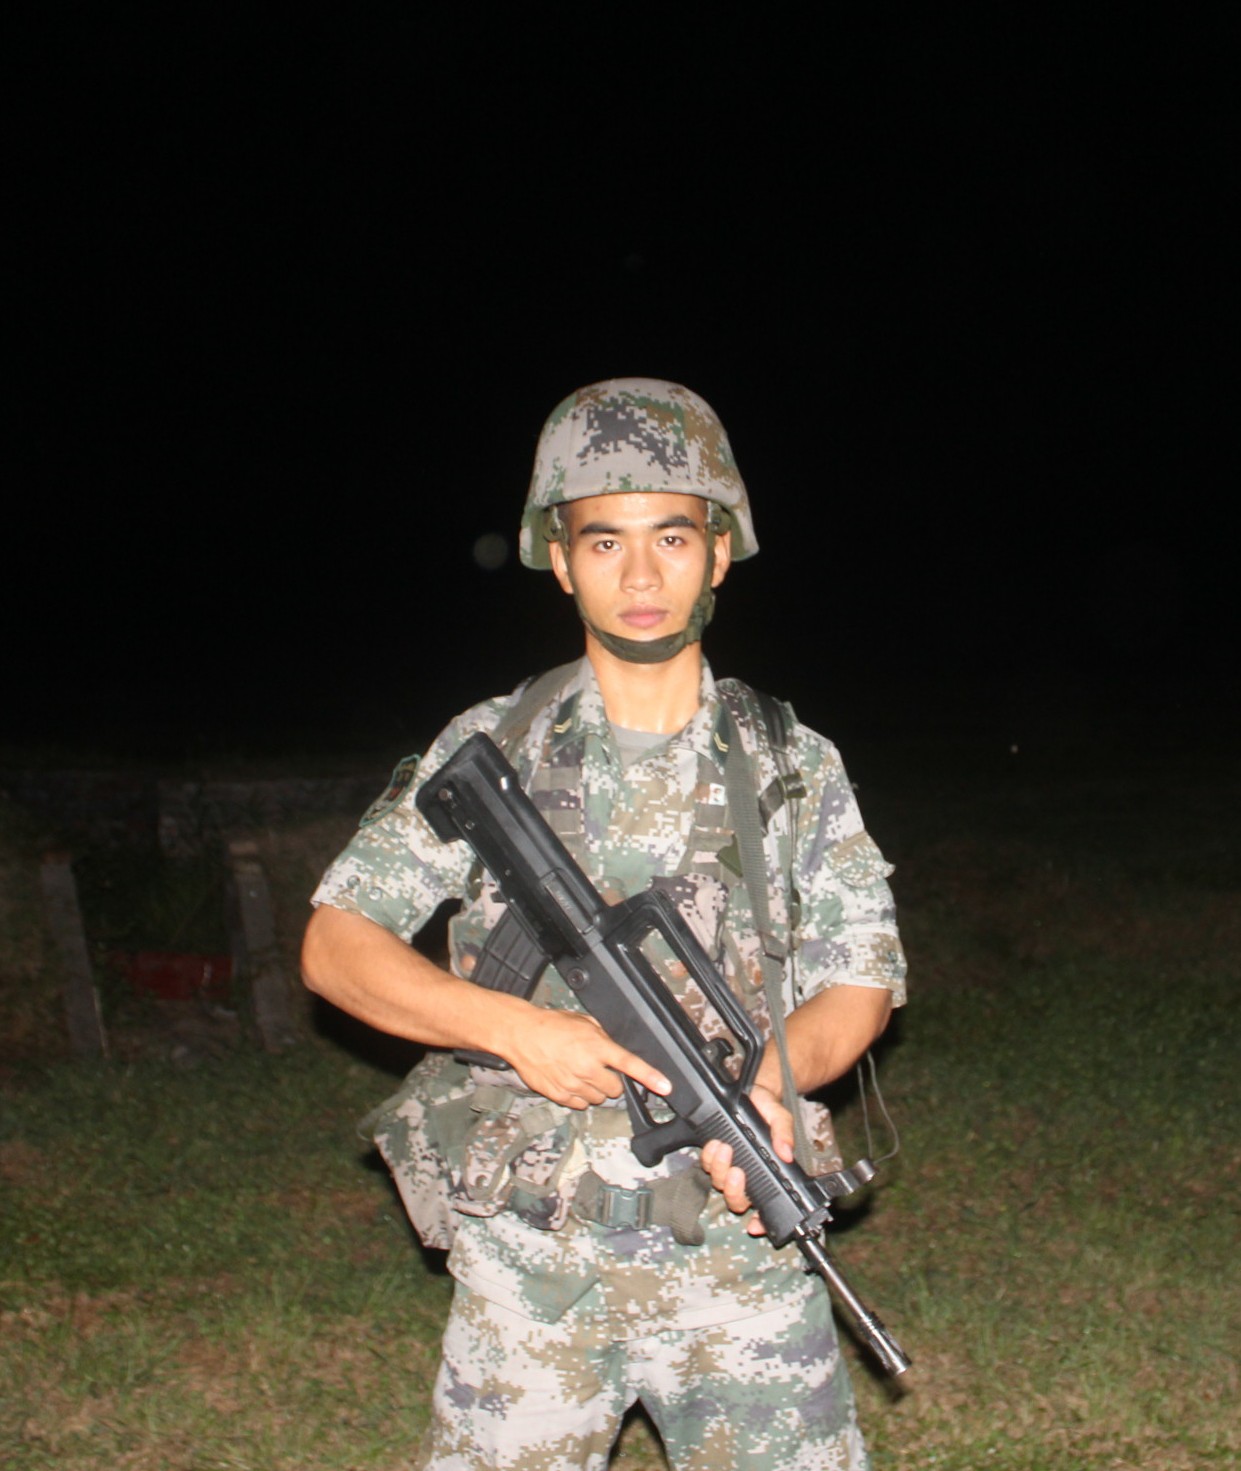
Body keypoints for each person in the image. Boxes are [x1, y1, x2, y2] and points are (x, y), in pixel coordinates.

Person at [301, 378, 907, 1470]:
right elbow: (335, 945)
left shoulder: (788, 761)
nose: (638, 576)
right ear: (559, 557)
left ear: (717, 554)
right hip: (532, 1267)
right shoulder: (493, 746)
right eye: (604, 540)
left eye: (671, 537)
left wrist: (767, 1086)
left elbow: (858, 979)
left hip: (740, 1269)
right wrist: (514, 1029)